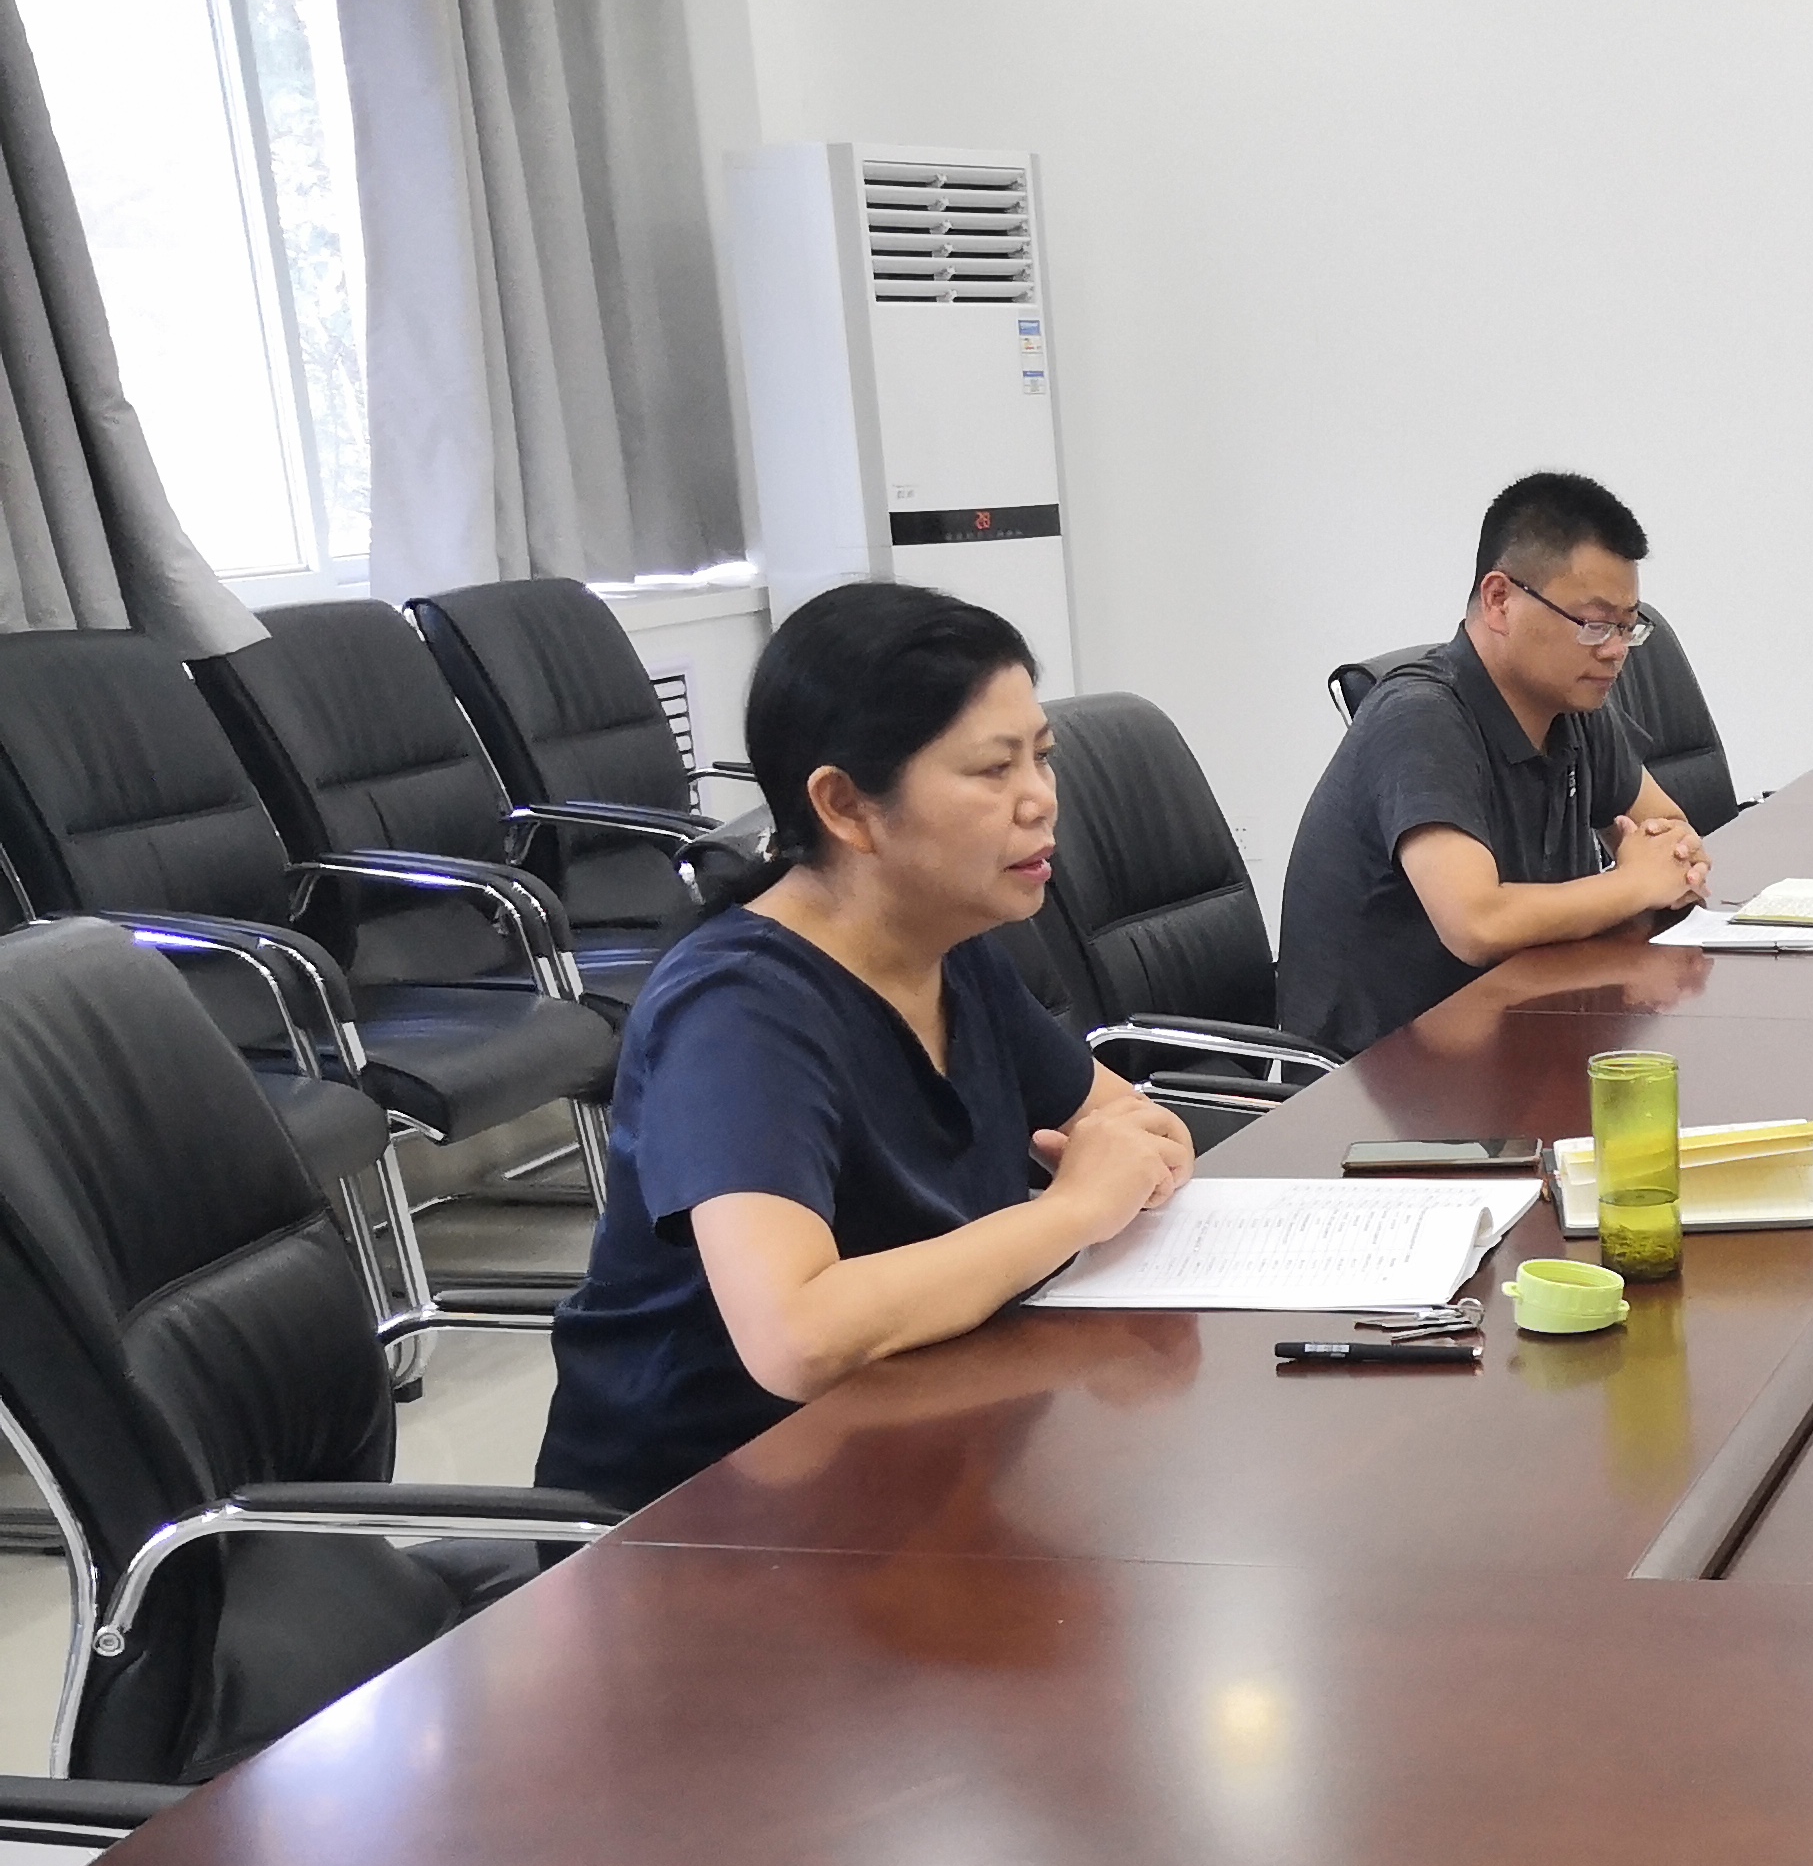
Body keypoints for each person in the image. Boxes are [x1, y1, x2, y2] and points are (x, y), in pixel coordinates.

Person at [537, 585, 1196, 1510]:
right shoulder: (738, 1011)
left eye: (1042, 758)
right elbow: (796, 1336)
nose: (1041, 801)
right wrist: (1074, 1209)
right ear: (845, 805)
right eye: (993, 769)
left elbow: (1131, 1125)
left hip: (919, 1453)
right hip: (705, 1520)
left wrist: (1122, 1162)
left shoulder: (951, 946)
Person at [1277, 470, 1711, 1058]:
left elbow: (1669, 831)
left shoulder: (1572, 702)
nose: (1614, 651)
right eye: (1593, 624)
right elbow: (1476, 924)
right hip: (1384, 1077)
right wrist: (1634, 883)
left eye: (1627, 627)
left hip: (1522, 1032)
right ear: (1500, 600)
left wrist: (1669, 861)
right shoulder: (1420, 718)